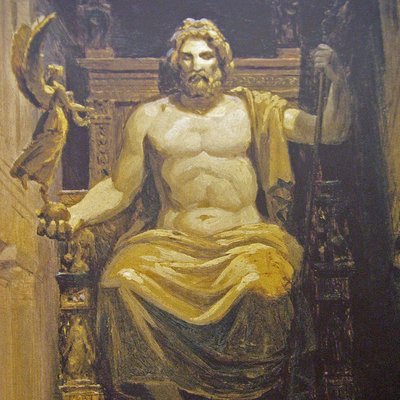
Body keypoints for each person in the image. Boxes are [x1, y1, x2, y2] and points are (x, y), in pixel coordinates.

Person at [45, 18, 351, 400]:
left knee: (265, 287)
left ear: (221, 63)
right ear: (176, 64)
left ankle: (247, 391)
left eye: (206, 56)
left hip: (247, 242)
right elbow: (121, 188)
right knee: (121, 282)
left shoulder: (255, 110)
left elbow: (331, 131)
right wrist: (76, 214)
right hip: (170, 245)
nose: (196, 65)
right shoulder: (150, 117)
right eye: (187, 57)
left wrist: (337, 82)